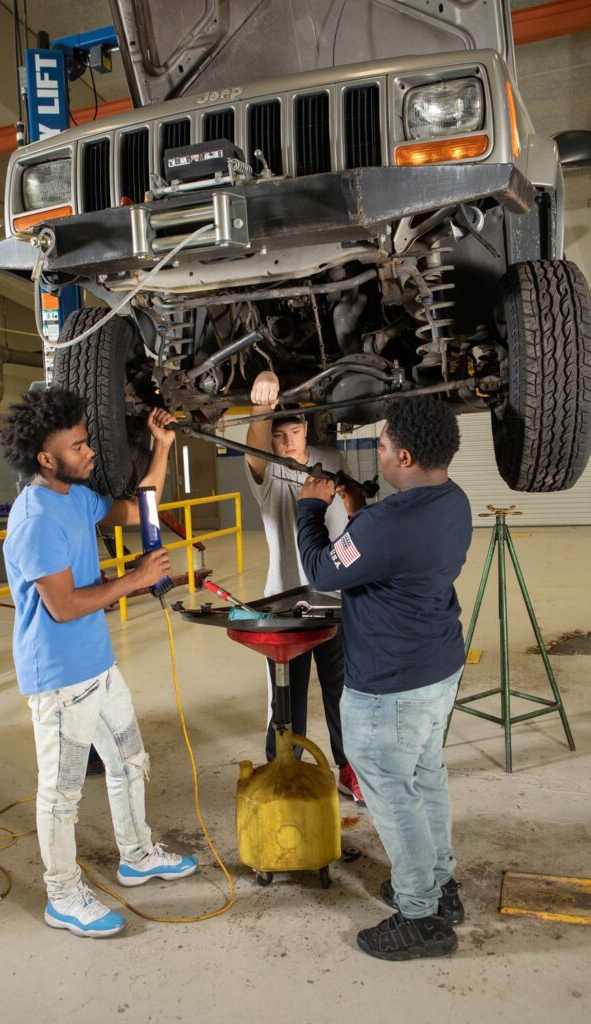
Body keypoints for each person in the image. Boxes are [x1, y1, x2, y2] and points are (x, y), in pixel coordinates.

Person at [1, 388, 197, 939]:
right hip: (60, 678)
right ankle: (62, 896)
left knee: (130, 759)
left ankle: (136, 854)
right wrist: (133, 579)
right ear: (46, 458)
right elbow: (61, 608)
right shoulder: (35, 518)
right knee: (61, 792)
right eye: (79, 445)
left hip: (98, 664)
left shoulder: (75, 496)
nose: (90, 452)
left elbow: (139, 509)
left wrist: (162, 447)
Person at [297, 395, 471, 961]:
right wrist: (355, 505)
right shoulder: (454, 501)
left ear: (404, 454)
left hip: (388, 687)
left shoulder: (384, 524)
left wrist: (310, 508)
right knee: (424, 776)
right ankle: (441, 886)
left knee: (392, 793)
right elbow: (386, 549)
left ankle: (420, 917)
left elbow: (325, 572)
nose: (378, 447)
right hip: (438, 670)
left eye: (383, 442)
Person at [245, 369, 364, 803]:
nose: (287, 443)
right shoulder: (268, 470)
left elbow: (354, 510)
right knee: (287, 700)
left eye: (294, 432)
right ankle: (285, 773)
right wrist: (262, 409)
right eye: (279, 436)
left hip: (335, 599)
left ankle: (349, 769)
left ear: (306, 429)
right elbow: (254, 449)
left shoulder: (331, 460)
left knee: (343, 693)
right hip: (286, 606)